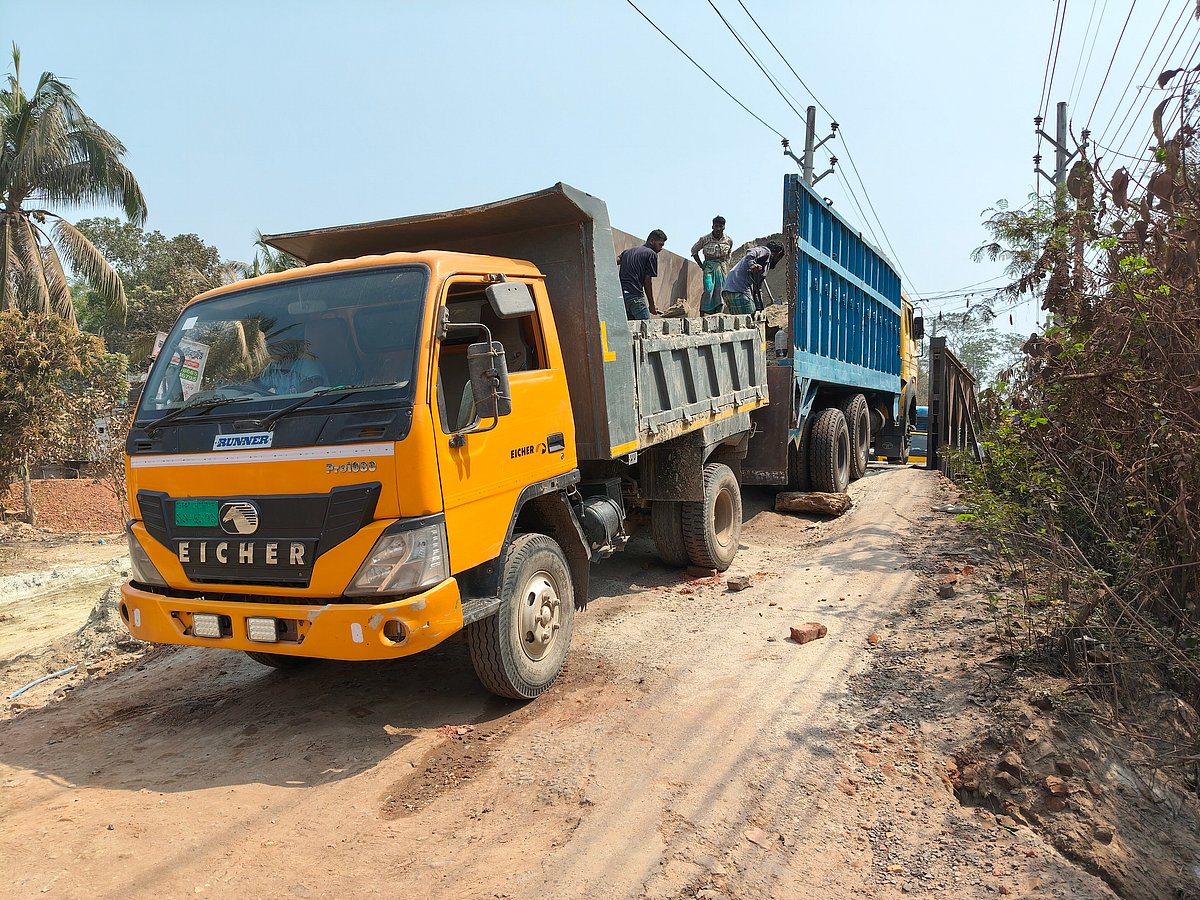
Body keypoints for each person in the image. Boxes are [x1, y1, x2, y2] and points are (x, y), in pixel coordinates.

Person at [721, 240, 785, 315]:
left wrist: (760, 308)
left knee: (740, 323)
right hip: (739, 290)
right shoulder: (766, 251)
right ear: (778, 253)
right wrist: (752, 264)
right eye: (779, 258)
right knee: (751, 320)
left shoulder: (764, 265)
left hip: (728, 291)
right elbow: (751, 252)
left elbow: (756, 290)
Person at [617, 229, 667, 320]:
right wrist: (652, 305)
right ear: (652, 241)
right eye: (660, 244)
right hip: (635, 297)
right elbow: (647, 281)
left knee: (630, 331)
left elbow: (616, 260)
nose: (661, 248)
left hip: (622, 298)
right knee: (646, 329)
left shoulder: (627, 252)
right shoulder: (651, 254)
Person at [690, 216, 733, 314]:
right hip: (709, 267)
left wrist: (725, 264)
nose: (718, 229)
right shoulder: (705, 239)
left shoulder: (728, 240)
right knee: (708, 288)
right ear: (712, 226)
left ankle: (718, 312)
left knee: (720, 291)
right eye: (716, 226)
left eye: (721, 226)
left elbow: (729, 254)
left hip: (721, 267)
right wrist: (701, 265)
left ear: (724, 227)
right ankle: (703, 312)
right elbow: (694, 250)